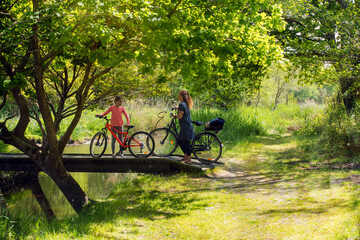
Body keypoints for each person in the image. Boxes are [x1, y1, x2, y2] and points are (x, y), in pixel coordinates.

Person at [173, 89, 195, 164]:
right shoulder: (185, 103)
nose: (177, 96)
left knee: (184, 142)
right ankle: (185, 157)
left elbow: (180, 116)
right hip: (187, 125)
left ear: (182, 96)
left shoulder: (182, 104)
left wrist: (174, 116)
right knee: (182, 141)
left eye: (179, 94)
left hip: (185, 126)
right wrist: (177, 108)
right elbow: (183, 109)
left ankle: (189, 160)